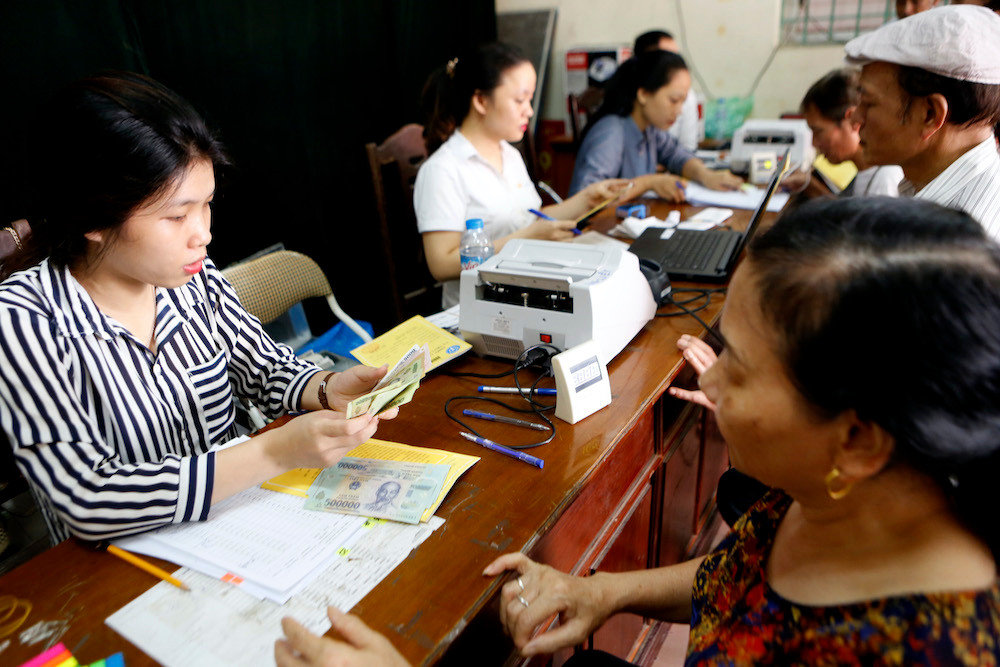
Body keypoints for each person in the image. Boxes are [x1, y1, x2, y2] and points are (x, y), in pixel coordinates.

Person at [275, 196, 1000, 665]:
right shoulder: (841, 488)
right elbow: (741, 580)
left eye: (737, 368)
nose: (706, 382)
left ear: (859, 437)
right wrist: (602, 593)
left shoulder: (915, 648)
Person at [0, 72, 398, 543]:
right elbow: (87, 499)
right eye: (176, 216)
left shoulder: (192, 276)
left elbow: (264, 369)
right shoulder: (23, 320)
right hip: (120, 570)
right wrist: (273, 454)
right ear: (93, 218)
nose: (203, 234)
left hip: (239, 527)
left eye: (206, 205)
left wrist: (330, 388)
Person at [415, 42, 629, 308]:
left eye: (530, 99)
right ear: (481, 100)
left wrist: (589, 198)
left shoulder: (510, 154)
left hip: (526, 297)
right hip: (478, 310)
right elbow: (441, 264)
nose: (529, 110)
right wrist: (528, 238)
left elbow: (532, 220)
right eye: (519, 100)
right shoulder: (443, 169)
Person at [845, 5, 1000, 237]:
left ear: (930, 114)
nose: (855, 119)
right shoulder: (930, 197)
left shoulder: (956, 243)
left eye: (868, 103)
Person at [568, 50, 742, 200]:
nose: (679, 111)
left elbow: (677, 155)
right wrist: (650, 182)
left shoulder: (649, 129)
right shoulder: (611, 132)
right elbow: (586, 198)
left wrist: (706, 175)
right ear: (643, 94)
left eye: (682, 102)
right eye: (674, 100)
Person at [792, 68, 903, 197]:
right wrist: (809, 185)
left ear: (852, 119)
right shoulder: (866, 174)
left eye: (818, 131)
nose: (814, 143)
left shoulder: (884, 181)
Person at [633, 30, 700, 152]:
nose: (679, 111)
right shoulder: (616, 131)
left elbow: (683, 153)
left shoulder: (652, 131)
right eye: (673, 100)